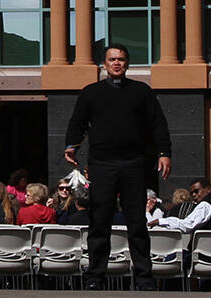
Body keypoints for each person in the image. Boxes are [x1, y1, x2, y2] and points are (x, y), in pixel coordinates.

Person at [65, 43, 172, 292]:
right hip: (102, 164)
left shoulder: (141, 92)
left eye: (121, 59)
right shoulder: (90, 93)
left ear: (127, 64)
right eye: (112, 59)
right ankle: (95, 277)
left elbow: (159, 125)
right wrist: (71, 146)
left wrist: (164, 153)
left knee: (137, 223)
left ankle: (144, 279)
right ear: (104, 64)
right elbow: (77, 122)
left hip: (134, 163)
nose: (117, 63)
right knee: (99, 221)